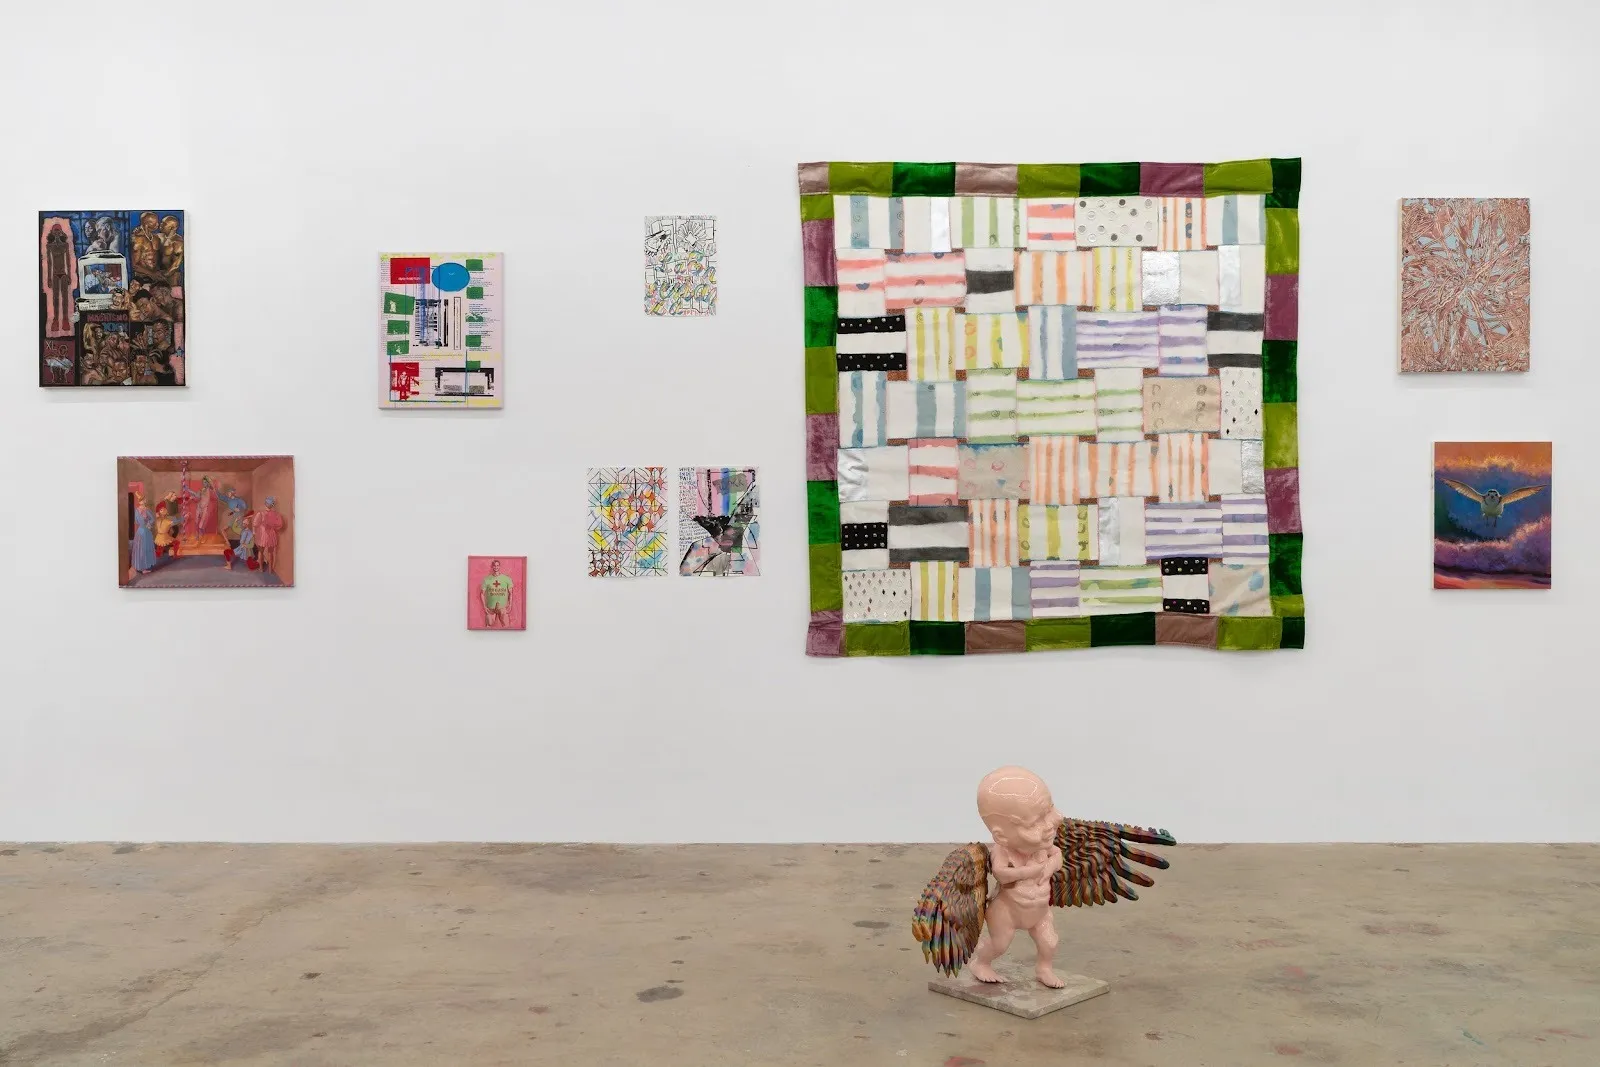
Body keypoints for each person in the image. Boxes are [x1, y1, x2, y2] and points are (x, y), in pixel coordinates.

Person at [45, 222, 74, 333]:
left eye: (58, 230)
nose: (57, 233)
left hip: (64, 274)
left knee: (65, 299)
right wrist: (49, 278)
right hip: (55, 275)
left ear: (61, 232)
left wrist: (69, 276)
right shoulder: (49, 246)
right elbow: (49, 263)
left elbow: (68, 262)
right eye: (55, 231)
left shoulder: (65, 245)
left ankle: (65, 320)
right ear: (52, 232)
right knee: (56, 298)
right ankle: (56, 320)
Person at [253, 497, 285, 576]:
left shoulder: (260, 514)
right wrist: (273, 527)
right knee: (271, 553)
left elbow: (255, 524)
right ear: (272, 505)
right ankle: (270, 569)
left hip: (263, 535)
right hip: (271, 534)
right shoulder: (276, 514)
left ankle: (261, 568)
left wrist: (259, 528)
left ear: (265, 504)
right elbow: (280, 525)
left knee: (261, 551)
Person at [479, 559, 514, 627]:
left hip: (503, 607)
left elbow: (510, 593)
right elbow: (482, 594)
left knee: (506, 627)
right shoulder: (486, 579)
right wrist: (484, 607)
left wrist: (510, 605)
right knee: (488, 626)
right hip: (490, 607)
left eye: (497, 565)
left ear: (499, 566)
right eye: (494, 566)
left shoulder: (507, 579)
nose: (496, 567)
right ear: (492, 567)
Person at [130, 494, 157, 576]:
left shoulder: (141, 510)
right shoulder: (142, 510)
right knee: (142, 548)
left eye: (144, 500)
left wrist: (147, 524)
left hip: (142, 531)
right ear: (141, 501)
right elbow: (151, 519)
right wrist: (147, 524)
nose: (144, 501)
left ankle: (142, 566)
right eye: (143, 500)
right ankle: (143, 567)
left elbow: (151, 519)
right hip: (143, 531)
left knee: (144, 548)